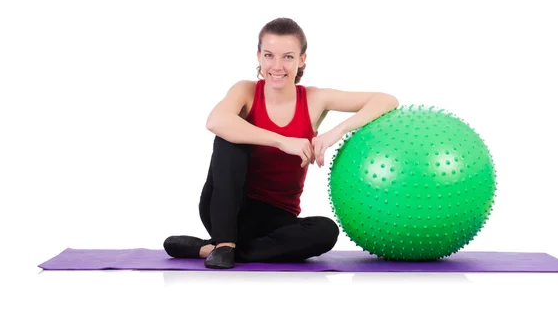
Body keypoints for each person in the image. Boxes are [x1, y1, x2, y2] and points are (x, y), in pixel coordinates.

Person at [163, 17, 399, 269]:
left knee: (326, 230)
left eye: (287, 57)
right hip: (226, 208)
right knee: (230, 138)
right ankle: (226, 242)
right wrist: (282, 141)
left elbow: (386, 100)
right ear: (259, 57)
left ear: (302, 60)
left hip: (277, 219)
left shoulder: (314, 99)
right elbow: (215, 121)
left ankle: (217, 249)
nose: (277, 66)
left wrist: (335, 132)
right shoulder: (246, 91)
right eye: (269, 55)